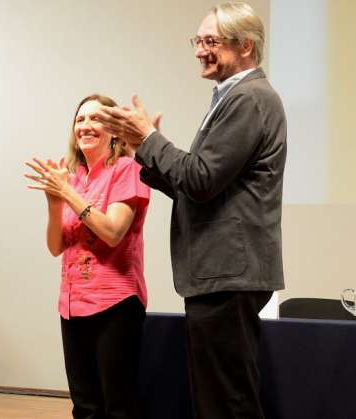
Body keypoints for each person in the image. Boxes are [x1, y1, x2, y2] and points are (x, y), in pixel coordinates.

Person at [98, 3, 286, 418]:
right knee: (215, 398)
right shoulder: (233, 98)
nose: (200, 50)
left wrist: (149, 139)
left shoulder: (249, 98)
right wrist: (142, 152)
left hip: (228, 271)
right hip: (219, 272)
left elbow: (200, 179)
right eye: (197, 41)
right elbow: (197, 187)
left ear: (247, 47)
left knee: (228, 400)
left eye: (211, 42)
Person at [25, 94, 150, 419]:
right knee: (85, 407)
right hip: (72, 303)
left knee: (118, 406)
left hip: (116, 302)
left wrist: (67, 193)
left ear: (114, 129)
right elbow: (55, 247)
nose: (86, 126)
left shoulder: (127, 169)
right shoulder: (73, 176)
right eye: (80, 120)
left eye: (96, 119)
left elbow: (112, 232)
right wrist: (54, 203)